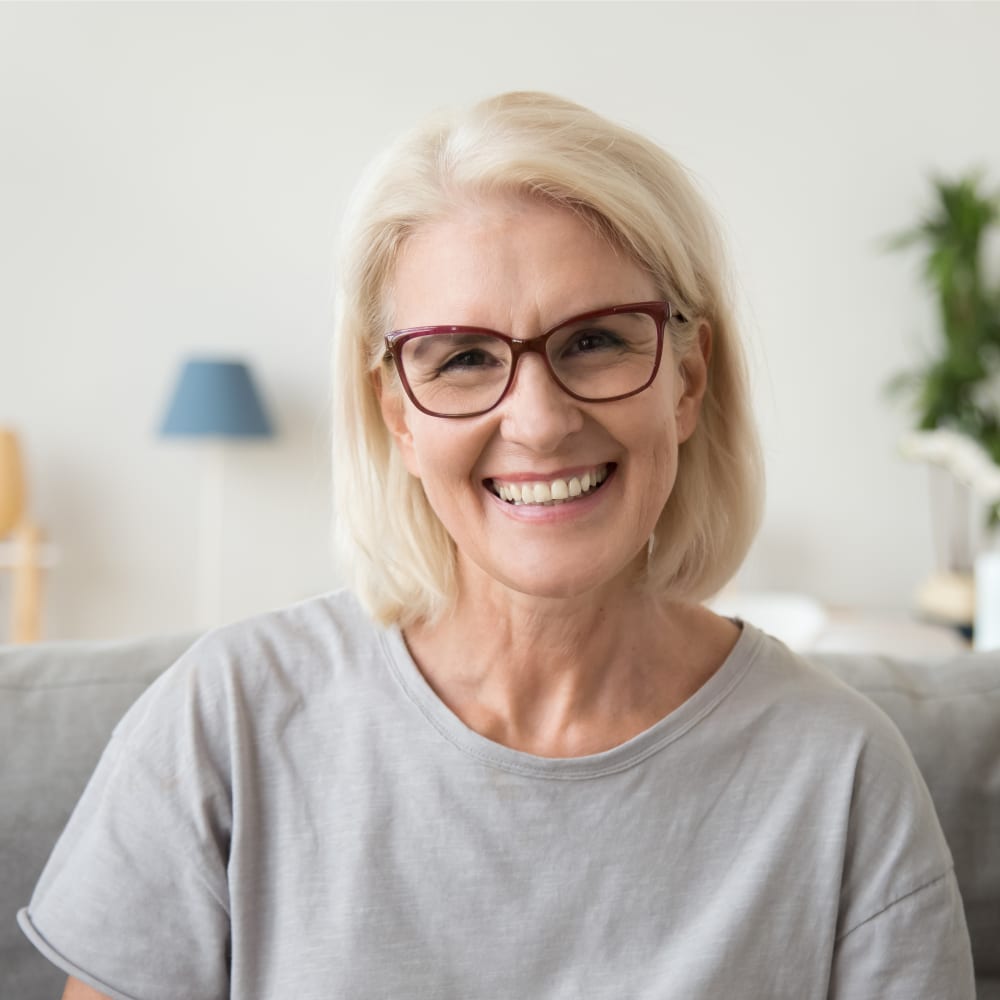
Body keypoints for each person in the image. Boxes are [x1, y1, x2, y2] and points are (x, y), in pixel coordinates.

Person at [21, 92, 974, 999]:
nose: (541, 421)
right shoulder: (223, 721)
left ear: (686, 380)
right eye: (465, 357)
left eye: (595, 340)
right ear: (396, 411)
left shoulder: (842, 775)